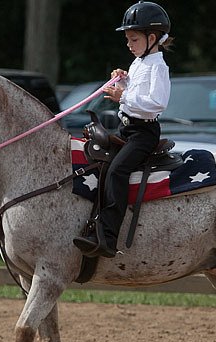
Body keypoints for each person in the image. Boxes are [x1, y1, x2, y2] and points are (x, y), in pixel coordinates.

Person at [74, 1, 173, 258]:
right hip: (127, 129)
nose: (128, 44)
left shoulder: (158, 67)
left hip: (144, 133)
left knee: (117, 171)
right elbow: (137, 90)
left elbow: (157, 103)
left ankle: (108, 237)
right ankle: (92, 223)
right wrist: (126, 79)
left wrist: (123, 96)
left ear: (152, 38)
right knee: (101, 164)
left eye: (133, 39)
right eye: (128, 39)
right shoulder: (140, 62)